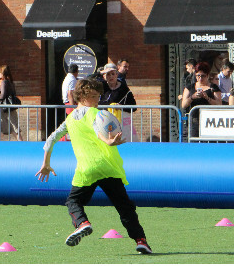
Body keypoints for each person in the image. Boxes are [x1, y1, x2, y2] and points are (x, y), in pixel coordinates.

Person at [38, 78, 151, 254]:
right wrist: (108, 141)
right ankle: (141, 240)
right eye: (94, 96)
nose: (97, 100)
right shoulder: (96, 114)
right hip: (108, 166)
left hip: (87, 170)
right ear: (81, 97)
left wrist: (46, 163)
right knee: (124, 207)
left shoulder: (69, 120)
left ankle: (82, 222)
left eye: (98, 96)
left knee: (73, 201)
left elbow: (52, 138)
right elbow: (98, 131)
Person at [180, 67, 221, 139]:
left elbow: (219, 104)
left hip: (210, 120)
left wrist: (207, 98)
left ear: (207, 76)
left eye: (203, 76)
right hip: (194, 119)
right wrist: (192, 97)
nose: (200, 78)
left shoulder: (213, 87)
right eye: (198, 76)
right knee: (194, 141)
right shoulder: (190, 87)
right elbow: (183, 105)